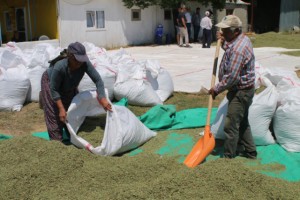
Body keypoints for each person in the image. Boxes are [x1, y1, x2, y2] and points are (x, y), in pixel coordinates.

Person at [40, 42, 112, 142]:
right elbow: (54, 89)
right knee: (55, 114)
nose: (80, 63)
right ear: (70, 56)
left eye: (82, 60)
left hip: (69, 84)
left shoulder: (84, 64)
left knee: (71, 110)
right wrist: (61, 108)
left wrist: (102, 98)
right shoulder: (60, 67)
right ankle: (56, 140)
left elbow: (98, 81)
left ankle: (71, 134)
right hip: (51, 83)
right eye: (77, 61)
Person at [208, 15, 257, 159]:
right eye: (221, 30)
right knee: (241, 122)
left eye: (225, 30)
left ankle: (228, 156)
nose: (222, 33)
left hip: (241, 92)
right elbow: (231, 51)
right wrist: (223, 42)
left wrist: (216, 89)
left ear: (235, 31)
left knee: (231, 125)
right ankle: (250, 151)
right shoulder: (240, 39)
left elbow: (233, 77)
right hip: (243, 89)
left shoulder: (238, 49)